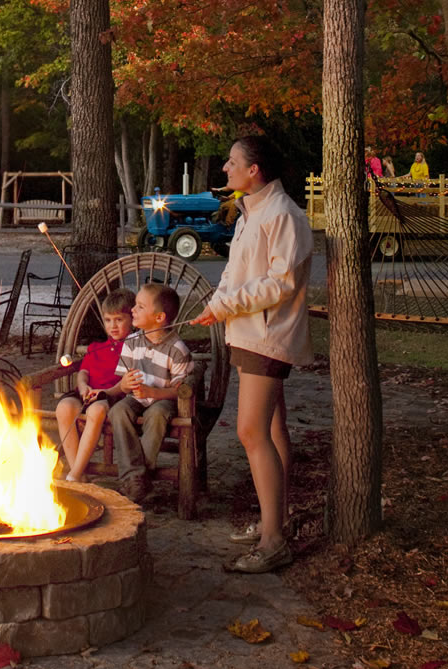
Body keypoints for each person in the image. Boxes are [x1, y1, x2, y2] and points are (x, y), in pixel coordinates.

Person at [193, 134, 313, 573]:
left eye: (231, 162)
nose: (225, 168)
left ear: (254, 170)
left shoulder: (283, 215)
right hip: (248, 334)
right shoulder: (250, 211)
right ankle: (273, 521)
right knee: (273, 428)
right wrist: (216, 303)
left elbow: (281, 284)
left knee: (250, 432)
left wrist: (227, 304)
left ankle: (274, 541)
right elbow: (236, 271)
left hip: (269, 337)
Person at [106, 283, 194, 503]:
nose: (132, 310)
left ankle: (135, 478)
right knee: (118, 411)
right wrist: (125, 385)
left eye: (140, 306)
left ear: (159, 317)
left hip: (163, 399)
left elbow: (179, 391)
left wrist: (153, 391)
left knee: (156, 415)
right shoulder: (132, 342)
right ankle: (136, 477)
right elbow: (123, 384)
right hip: (136, 397)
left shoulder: (177, 349)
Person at [54, 290, 134, 483]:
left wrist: (105, 393)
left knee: (96, 411)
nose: (113, 325)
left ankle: (73, 475)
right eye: (108, 320)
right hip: (87, 392)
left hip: (111, 397)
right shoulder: (96, 347)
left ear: (132, 319)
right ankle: (79, 474)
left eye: (119, 319)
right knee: (64, 408)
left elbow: (126, 385)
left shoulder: (134, 348)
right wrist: (83, 387)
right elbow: (84, 372)